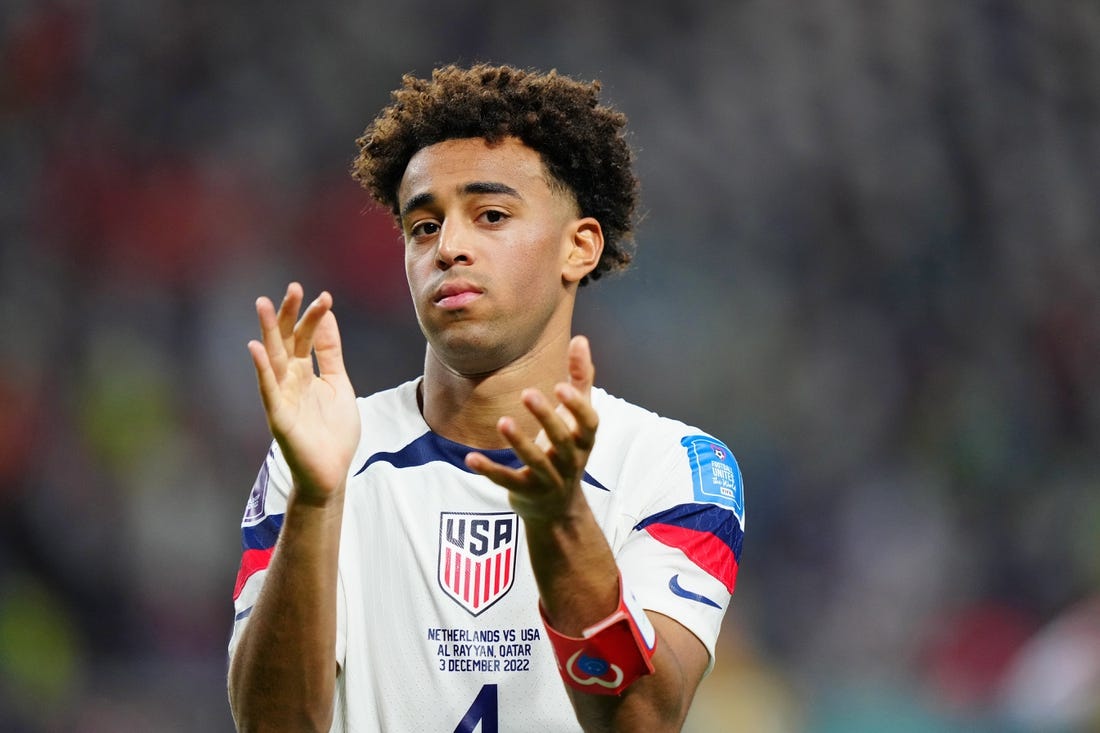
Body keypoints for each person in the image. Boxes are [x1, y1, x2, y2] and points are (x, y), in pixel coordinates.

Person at [227, 63, 745, 732]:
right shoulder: (318, 456)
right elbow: (273, 727)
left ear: (580, 246)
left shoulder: (675, 466)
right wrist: (315, 501)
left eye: (490, 215)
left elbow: (642, 721)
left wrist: (561, 522)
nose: (448, 247)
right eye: (422, 226)